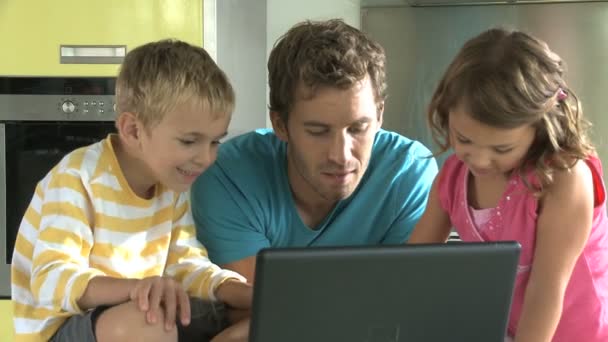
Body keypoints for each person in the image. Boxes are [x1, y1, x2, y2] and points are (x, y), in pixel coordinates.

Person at [11, 40, 252, 342]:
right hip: (65, 328)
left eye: (215, 141)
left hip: (136, 309)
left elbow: (185, 265)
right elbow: (52, 281)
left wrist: (242, 291)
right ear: (134, 131)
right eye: (190, 142)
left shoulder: (170, 184)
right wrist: (137, 289)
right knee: (146, 319)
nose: (206, 158)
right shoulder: (78, 177)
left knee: (250, 314)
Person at [190, 18, 438, 283]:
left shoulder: (410, 172)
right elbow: (261, 306)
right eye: (318, 132)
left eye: (358, 128)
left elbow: (404, 298)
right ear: (280, 125)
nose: (341, 156)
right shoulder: (228, 176)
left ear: (379, 116)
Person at [408, 28, 608, 342]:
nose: (480, 160)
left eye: (502, 149)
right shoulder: (453, 176)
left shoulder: (564, 180)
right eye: (464, 139)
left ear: (540, 129)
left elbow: (545, 292)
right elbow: (412, 265)